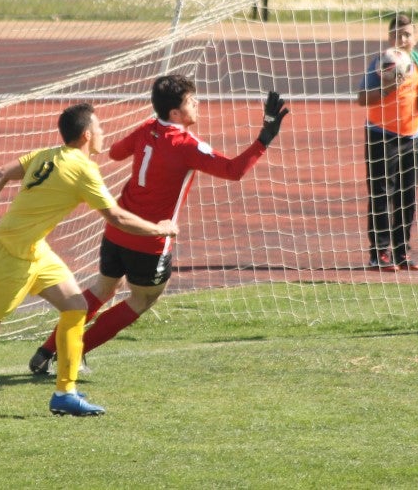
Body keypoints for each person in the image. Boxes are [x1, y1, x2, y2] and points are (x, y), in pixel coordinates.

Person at [0, 103, 177, 420]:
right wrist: (159, 228)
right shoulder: (82, 168)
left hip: (35, 251)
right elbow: (115, 216)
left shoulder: (47, 155)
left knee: (75, 307)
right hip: (8, 255)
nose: (103, 133)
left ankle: (65, 394)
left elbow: (0, 173)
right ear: (87, 135)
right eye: (99, 128)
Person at [28, 76, 288, 375]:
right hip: (150, 239)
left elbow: (114, 153)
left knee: (102, 288)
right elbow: (233, 171)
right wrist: (264, 138)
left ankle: (46, 349)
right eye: (192, 101)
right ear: (176, 113)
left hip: (117, 229)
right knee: (142, 298)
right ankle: (72, 351)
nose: (198, 104)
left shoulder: (146, 129)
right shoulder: (188, 145)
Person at [358, 13, 418, 271]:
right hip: (380, 136)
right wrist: (386, 88)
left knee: (408, 196)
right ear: (389, 37)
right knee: (382, 194)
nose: (402, 39)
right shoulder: (381, 63)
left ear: (414, 38)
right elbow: (362, 98)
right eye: (397, 34)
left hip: (411, 138)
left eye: (407, 34)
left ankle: (402, 250)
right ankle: (379, 252)